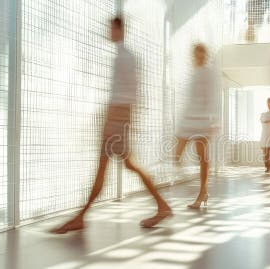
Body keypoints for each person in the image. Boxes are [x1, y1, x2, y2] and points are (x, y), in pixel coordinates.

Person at [50, 16, 172, 234]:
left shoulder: (123, 58)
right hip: (120, 120)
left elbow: (126, 96)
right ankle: (161, 206)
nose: (109, 32)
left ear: (119, 30)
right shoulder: (126, 57)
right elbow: (132, 95)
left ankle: (80, 217)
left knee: (105, 168)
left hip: (117, 120)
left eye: (111, 28)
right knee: (126, 166)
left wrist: (112, 123)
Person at [174, 43, 220, 209]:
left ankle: (202, 193)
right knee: (176, 154)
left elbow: (213, 97)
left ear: (205, 55)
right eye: (196, 53)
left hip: (202, 120)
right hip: (189, 118)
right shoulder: (193, 73)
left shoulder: (208, 73)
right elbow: (189, 99)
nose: (199, 56)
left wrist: (213, 120)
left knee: (203, 158)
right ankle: (187, 179)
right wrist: (182, 120)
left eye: (202, 53)